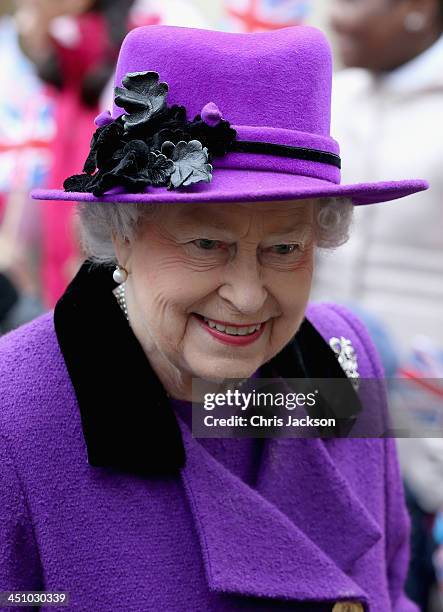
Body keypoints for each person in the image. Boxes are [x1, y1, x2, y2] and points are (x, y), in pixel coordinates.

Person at [0, 24, 427, 611]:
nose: (249, 296)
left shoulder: (340, 360)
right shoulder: (16, 416)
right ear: (121, 236)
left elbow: (388, 584)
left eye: (284, 248)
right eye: (205, 244)